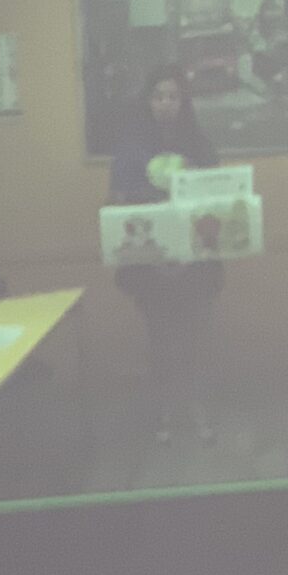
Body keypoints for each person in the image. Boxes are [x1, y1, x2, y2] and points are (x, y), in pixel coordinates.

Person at [110, 67, 225, 444]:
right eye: (158, 96)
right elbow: (119, 204)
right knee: (160, 338)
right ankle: (163, 411)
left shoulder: (199, 144)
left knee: (194, 337)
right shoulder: (130, 147)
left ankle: (195, 407)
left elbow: (216, 201)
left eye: (173, 96)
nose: (165, 104)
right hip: (149, 265)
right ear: (147, 100)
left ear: (183, 101)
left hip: (195, 264)